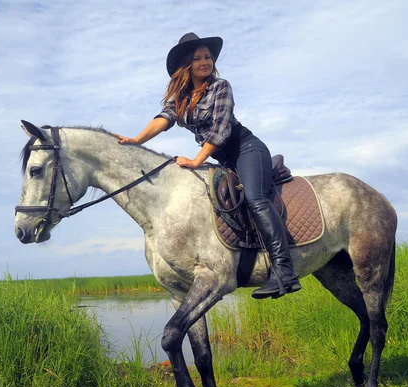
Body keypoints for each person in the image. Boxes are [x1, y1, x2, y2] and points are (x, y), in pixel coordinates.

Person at [115, 32, 300, 299]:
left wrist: (196, 161)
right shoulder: (181, 96)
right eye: (198, 58)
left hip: (246, 149)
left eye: (208, 57)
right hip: (224, 159)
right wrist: (136, 140)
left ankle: (284, 270)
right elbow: (163, 119)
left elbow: (221, 130)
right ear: (186, 65)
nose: (205, 61)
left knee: (255, 198)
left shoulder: (221, 87)